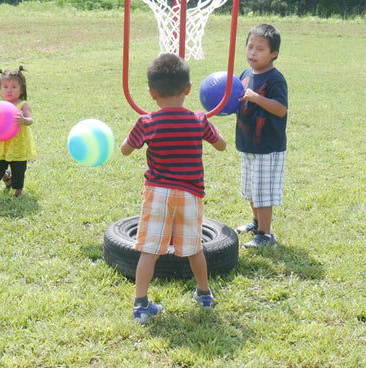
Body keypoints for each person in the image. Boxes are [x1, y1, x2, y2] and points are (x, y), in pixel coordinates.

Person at [121, 53, 227, 324]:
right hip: (190, 195)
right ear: (189, 89)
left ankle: (141, 305)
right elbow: (221, 144)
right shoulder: (199, 120)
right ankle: (204, 295)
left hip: (157, 193)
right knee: (194, 248)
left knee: (149, 250)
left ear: (152, 93)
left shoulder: (146, 123)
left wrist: (134, 137)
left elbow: (125, 150)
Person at [235, 24, 288, 248]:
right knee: (251, 189)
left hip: (268, 147)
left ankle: (266, 235)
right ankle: (257, 224)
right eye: (249, 47)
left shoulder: (275, 79)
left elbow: (280, 109)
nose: (252, 53)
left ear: (274, 53)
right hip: (247, 144)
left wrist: (256, 98)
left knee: (263, 192)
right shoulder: (245, 75)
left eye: (259, 49)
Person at [0, 67, 36, 197]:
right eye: (5, 87)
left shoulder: (23, 104)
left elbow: (30, 120)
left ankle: (18, 191)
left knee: (18, 170)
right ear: (1, 89)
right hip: (3, 144)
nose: (9, 90)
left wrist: (24, 120)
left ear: (21, 89)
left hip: (18, 143)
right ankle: (7, 177)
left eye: (14, 87)